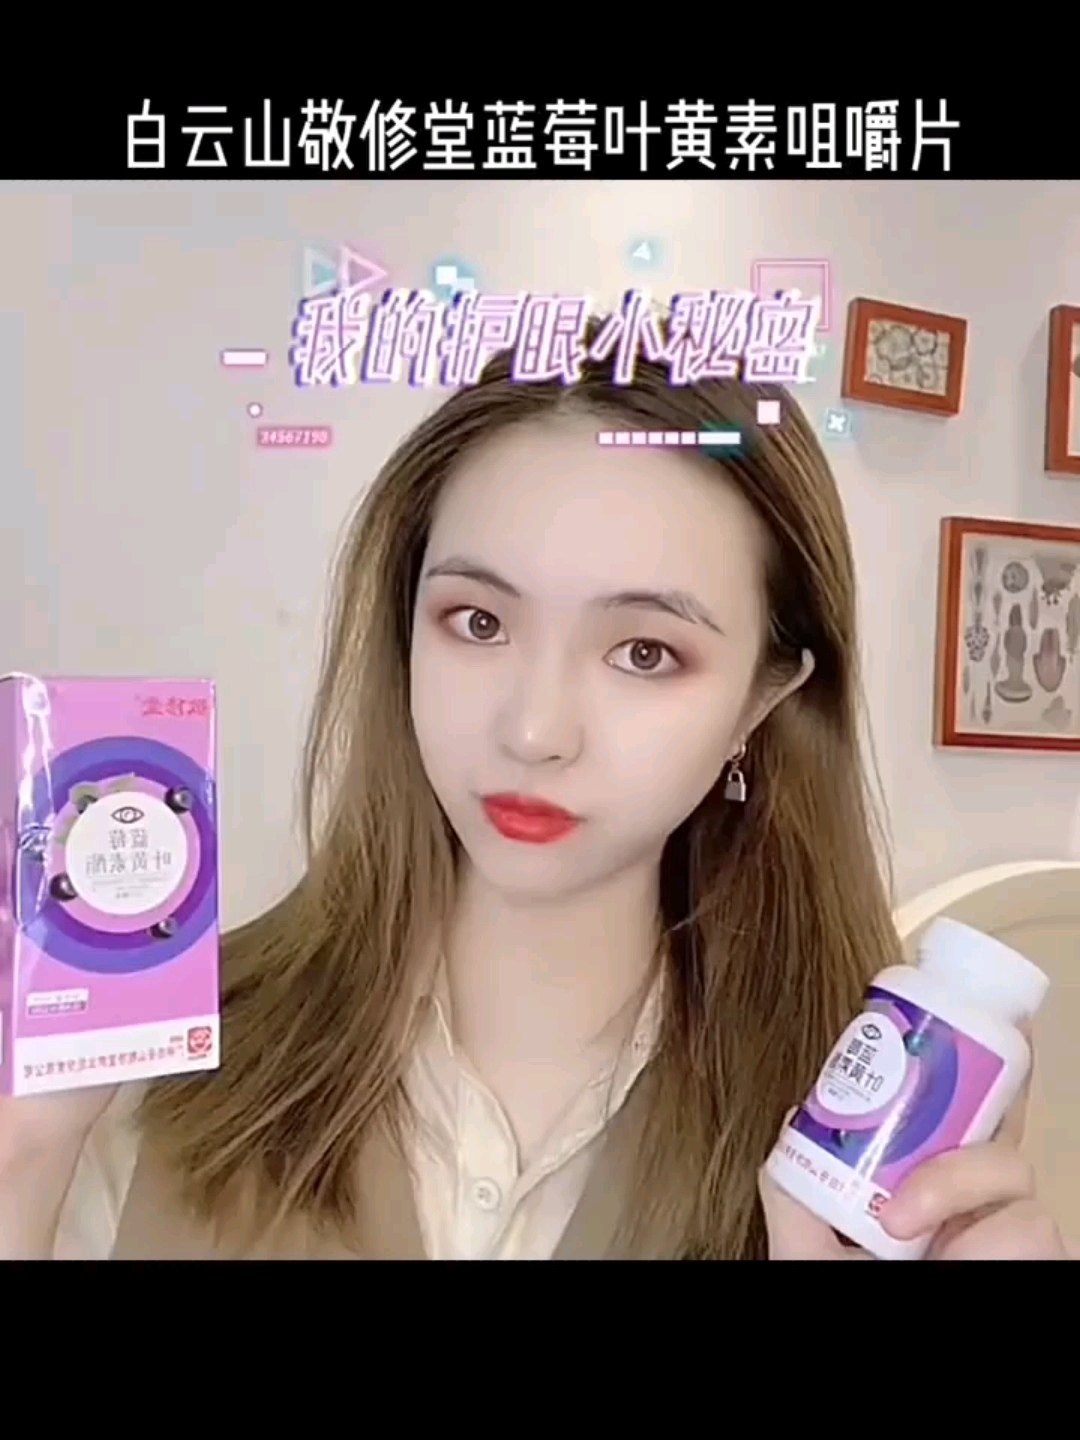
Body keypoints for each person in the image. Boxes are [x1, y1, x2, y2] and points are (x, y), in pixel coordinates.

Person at [2, 323, 1068, 1261]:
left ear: (764, 695)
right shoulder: (150, 1065)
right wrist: (24, 1161)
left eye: (644, 652)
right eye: (478, 623)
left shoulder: (862, 1138)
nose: (532, 731)